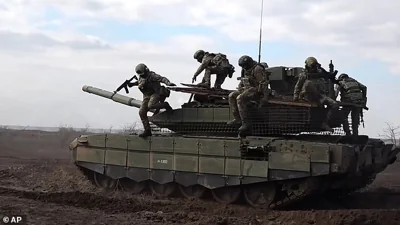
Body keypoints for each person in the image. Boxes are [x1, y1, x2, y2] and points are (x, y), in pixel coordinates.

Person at [128, 63, 176, 138]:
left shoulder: (152, 75)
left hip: (155, 93)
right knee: (142, 112)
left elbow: (162, 78)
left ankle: (165, 105)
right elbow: (139, 82)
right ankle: (147, 130)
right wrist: (132, 84)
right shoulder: (141, 76)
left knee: (151, 105)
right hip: (146, 95)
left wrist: (168, 83)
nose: (142, 75)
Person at [293, 56, 339, 132]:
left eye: (314, 66)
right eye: (312, 66)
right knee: (309, 83)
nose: (313, 68)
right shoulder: (304, 75)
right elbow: (298, 86)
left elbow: (328, 79)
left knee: (335, 105)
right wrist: (296, 97)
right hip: (308, 96)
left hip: (321, 95)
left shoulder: (320, 72)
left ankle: (324, 123)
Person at [227, 55, 269, 135]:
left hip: (256, 90)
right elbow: (243, 79)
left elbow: (264, 83)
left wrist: (265, 97)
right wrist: (240, 86)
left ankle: (246, 122)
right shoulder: (245, 69)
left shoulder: (257, 69)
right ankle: (237, 119)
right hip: (246, 89)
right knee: (231, 95)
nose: (244, 67)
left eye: (245, 65)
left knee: (240, 98)